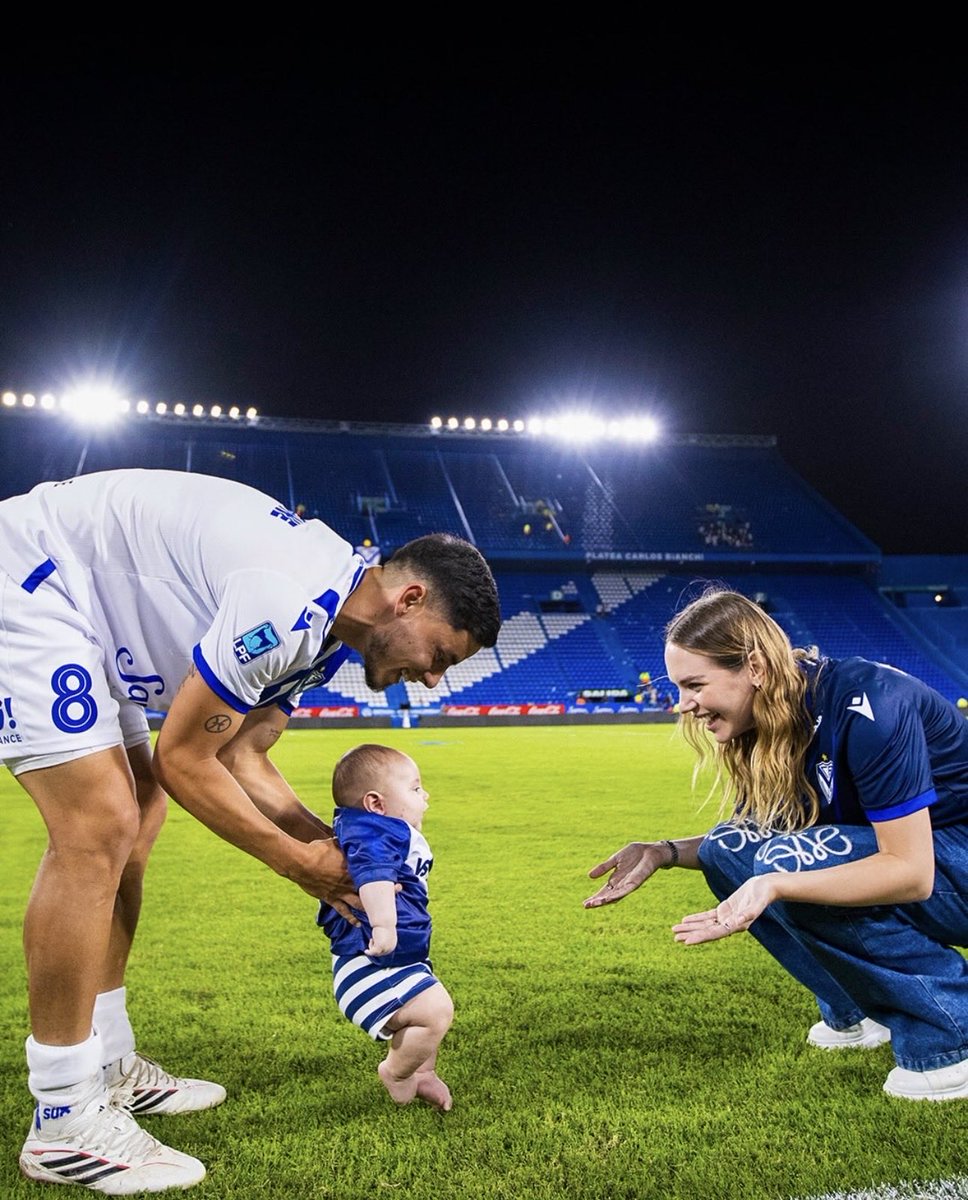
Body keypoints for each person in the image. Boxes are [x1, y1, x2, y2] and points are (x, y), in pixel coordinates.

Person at [0, 468, 499, 1192]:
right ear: (411, 599)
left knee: (138, 814)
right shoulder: (288, 602)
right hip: (34, 573)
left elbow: (241, 753)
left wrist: (333, 845)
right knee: (99, 825)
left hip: (90, 608)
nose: (431, 679)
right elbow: (184, 758)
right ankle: (63, 1119)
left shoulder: (327, 635)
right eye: (441, 656)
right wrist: (300, 864)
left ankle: (106, 1059)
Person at [585, 588, 968, 1102]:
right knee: (728, 847)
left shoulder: (869, 701)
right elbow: (756, 838)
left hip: (948, 857)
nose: (684, 705)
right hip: (936, 863)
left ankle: (950, 1037)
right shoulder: (775, 717)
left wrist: (777, 883)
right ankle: (859, 1009)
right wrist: (663, 851)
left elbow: (911, 872)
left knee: (784, 865)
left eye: (695, 685)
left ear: (755, 667)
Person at [317, 744, 453, 1111]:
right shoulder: (374, 833)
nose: (425, 795)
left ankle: (423, 1072)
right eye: (415, 788)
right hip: (373, 962)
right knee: (435, 1012)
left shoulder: (380, 829)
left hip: (396, 956)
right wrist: (384, 927)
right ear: (376, 803)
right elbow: (373, 877)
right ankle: (396, 1072)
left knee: (428, 1011)